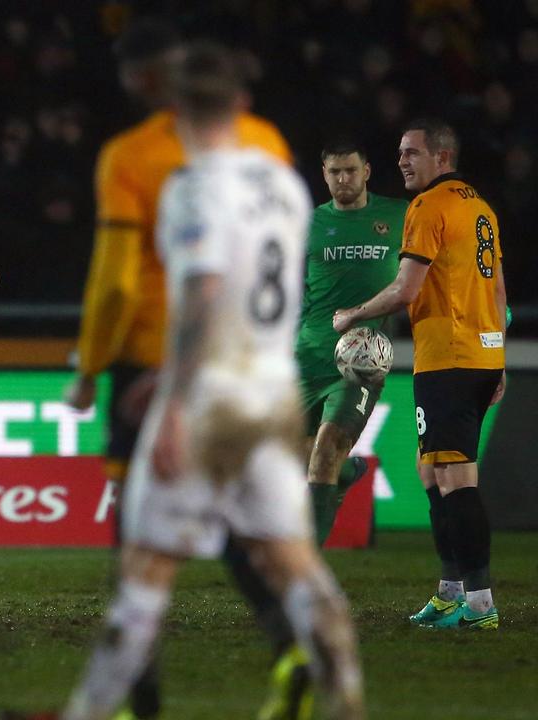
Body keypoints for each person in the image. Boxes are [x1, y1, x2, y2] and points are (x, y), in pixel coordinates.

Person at [62, 42, 364, 720]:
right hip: (273, 389)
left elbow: (201, 291)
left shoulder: (192, 186)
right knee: (295, 566)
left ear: (176, 108)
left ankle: (93, 711)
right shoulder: (284, 180)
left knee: (143, 577)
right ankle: (345, 700)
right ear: (244, 104)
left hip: (209, 396)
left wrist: (171, 399)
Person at [333, 119, 506, 630]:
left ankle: (479, 604)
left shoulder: (428, 207)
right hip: (478, 354)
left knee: (454, 477)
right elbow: (499, 292)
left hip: (449, 356)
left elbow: (406, 289)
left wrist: (353, 315)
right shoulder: (480, 208)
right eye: (400, 152)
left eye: (412, 153)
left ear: (442, 157)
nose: (403, 161)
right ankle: (451, 591)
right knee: (431, 469)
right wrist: (497, 358)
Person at [297, 141, 406, 544]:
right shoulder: (307, 223)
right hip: (307, 355)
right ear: (324, 174)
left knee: (325, 450)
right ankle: (349, 472)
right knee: (291, 458)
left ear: (367, 171)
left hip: (359, 361)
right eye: (335, 172)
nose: (343, 179)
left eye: (351, 171)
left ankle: (305, 578)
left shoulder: (399, 216)